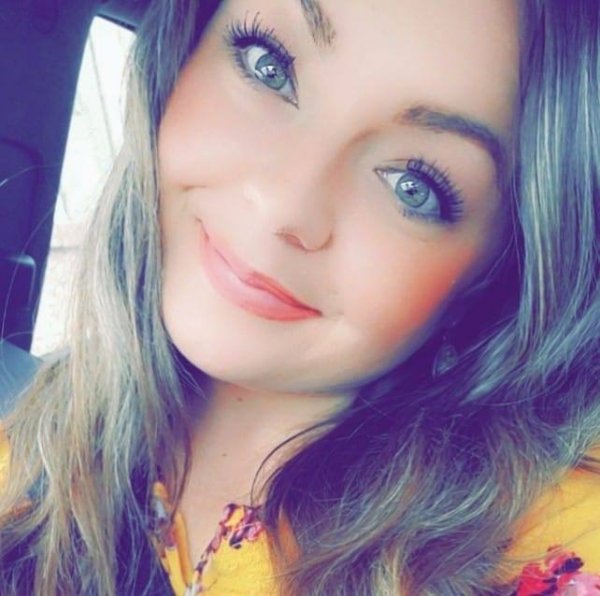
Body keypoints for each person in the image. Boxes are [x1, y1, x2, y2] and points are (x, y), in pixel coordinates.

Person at [1, 0, 599, 594]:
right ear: (181, 55)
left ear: (492, 278)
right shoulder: (33, 447)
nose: (283, 204)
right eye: (269, 67)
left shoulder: (545, 545)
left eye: (412, 186)